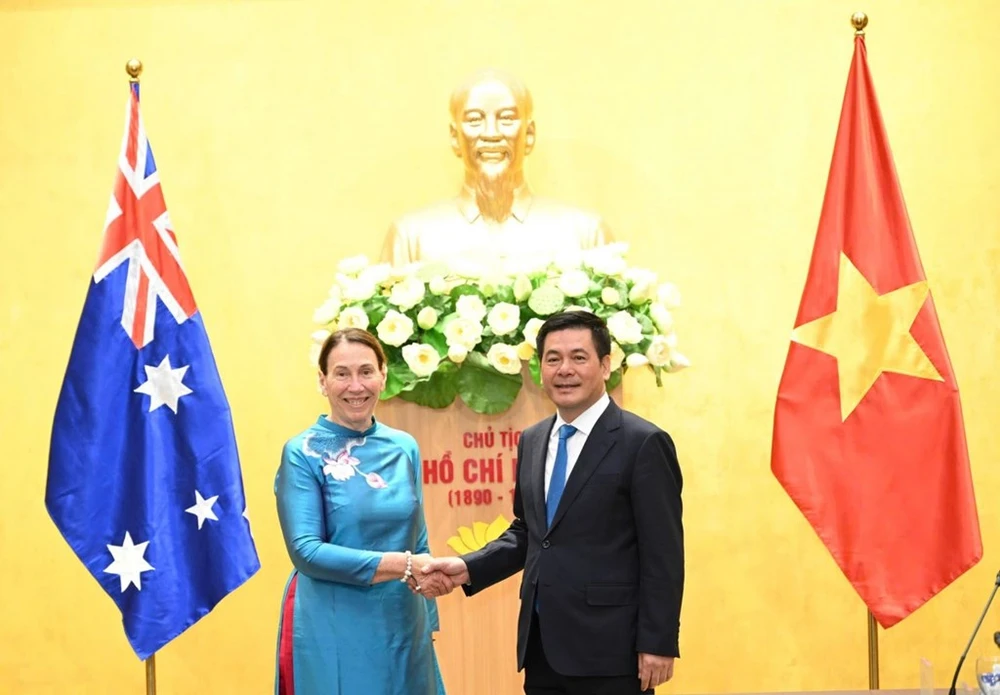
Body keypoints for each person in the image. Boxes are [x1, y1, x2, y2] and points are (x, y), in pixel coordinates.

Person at [419, 311, 684, 695]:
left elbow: (664, 553)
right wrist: (465, 567)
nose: (565, 370)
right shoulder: (533, 439)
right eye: (553, 358)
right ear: (540, 368)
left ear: (606, 365)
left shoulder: (642, 442)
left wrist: (657, 642)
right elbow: (530, 533)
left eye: (579, 357)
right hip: (543, 647)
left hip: (614, 652)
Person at [273, 328, 449, 694]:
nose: (356, 386)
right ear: (322, 382)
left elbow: (417, 537)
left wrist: (427, 620)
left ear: (384, 375)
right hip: (334, 622)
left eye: (366, 371)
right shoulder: (302, 452)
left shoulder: (404, 446)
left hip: (404, 619)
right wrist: (400, 566)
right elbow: (306, 551)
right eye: (341, 373)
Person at [381, 69, 612, 267]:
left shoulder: (585, 233)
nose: (491, 133)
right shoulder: (411, 237)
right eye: (474, 120)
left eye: (507, 118)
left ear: (529, 134)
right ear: (455, 137)